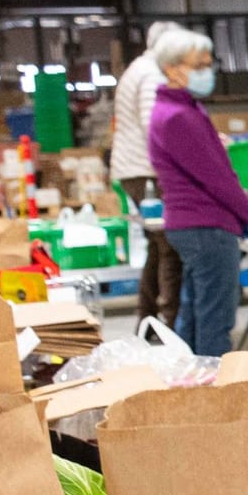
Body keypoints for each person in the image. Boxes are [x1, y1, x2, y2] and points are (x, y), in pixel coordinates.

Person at [147, 29, 248, 357]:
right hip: (206, 226)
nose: (207, 72)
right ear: (173, 69)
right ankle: (212, 385)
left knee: (195, 311)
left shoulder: (179, 109)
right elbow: (218, 178)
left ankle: (190, 378)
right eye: (198, 65)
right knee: (215, 317)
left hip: (191, 225)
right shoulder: (178, 117)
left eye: (209, 64)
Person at [110, 20, 183, 328]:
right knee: (171, 246)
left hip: (134, 169)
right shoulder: (152, 74)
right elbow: (157, 125)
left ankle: (147, 319)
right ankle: (170, 322)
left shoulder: (138, 68)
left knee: (156, 244)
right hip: (146, 171)